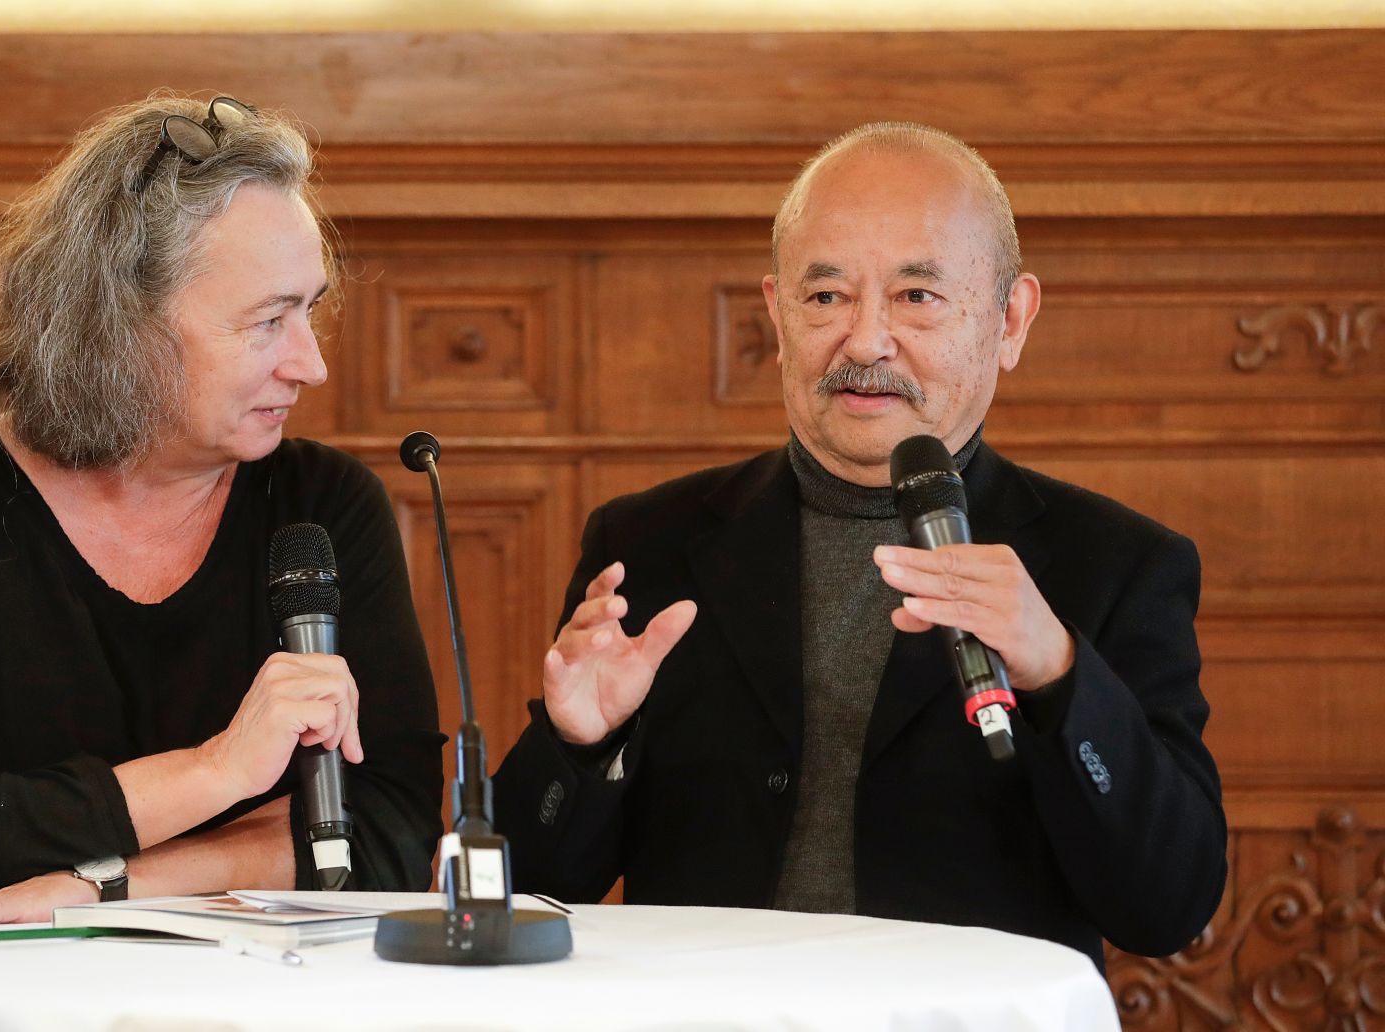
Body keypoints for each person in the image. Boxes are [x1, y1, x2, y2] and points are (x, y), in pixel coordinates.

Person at [491, 122, 1226, 967]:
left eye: (917, 297)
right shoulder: (649, 544)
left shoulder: (1114, 563)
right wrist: (579, 746)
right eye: (826, 297)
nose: (867, 341)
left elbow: (1168, 906)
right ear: (777, 313)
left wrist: (1061, 674)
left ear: (1009, 319)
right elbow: (521, 899)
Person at [0, 94, 443, 942]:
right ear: (123, 328)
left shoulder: (325, 506)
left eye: (310, 309)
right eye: (269, 321)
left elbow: (391, 837)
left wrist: (114, 887)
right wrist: (220, 771)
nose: (313, 363)